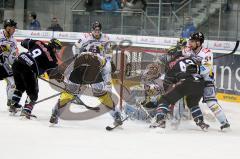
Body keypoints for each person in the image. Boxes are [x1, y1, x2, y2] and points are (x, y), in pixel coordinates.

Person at [49, 21, 121, 126]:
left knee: (69, 93)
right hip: (94, 71)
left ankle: (55, 112)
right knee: (102, 94)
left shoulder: (102, 42)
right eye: (95, 30)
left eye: (98, 30)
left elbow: (71, 65)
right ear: (92, 30)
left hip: (81, 70)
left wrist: (66, 81)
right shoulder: (100, 56)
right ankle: (116, 115)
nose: (96, 32)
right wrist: (108, 84)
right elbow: (107, 68)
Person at [182, 32, 230, 130]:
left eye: (192, 41)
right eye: (190, 41)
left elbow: (207, 68)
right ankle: (199, 121)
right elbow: (181, 54)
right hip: (194, 81)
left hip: (206, 80)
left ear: (199, 43)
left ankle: (224, 123)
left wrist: (195, 68)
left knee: (211, 102)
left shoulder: (207, 52)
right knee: (190, 100)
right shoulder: (189, 50)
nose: (190, 43)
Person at [149, 54, 209, 130]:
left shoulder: (171, 64)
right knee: (192, 103)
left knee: (165, 99)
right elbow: (203, 69)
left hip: (186, 83)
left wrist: (166, 91)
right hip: (200, 84)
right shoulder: (191, 59)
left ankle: (160, 120)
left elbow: (167, 82)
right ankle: (201, 122)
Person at [9, 38, 62, 118]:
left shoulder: (38, 42)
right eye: (57, 49)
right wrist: (61, 78)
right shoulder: (52, 59)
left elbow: (23, 42)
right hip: (29, 69)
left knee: (20, 86)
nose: (57, 52)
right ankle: (26, 110)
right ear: (54, 47)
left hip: (17, 63)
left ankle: (13, 104)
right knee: (33, 93)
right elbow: (52, 74)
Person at [0, 19, 19, 109]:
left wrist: (17, 63)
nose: (14, 30)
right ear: (7, 28)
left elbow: (12, 58)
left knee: (12, 82)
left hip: (3, 65)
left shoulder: (13, 41)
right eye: (13, 28)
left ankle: (11, 101)